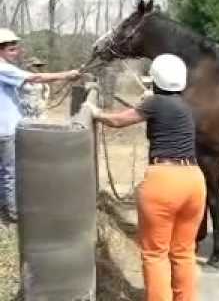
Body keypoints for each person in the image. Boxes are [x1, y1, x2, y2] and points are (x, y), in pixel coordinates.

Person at [86, 53, 206, 301]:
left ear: (156, 80)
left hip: (164, 180)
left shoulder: (155, 104)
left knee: (155, 254)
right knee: (184, 252)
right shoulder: (186, 106)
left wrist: (94, 111)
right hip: (194, 179)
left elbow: (118, 121)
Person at [0, 28, 80, 225]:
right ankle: (13, 215)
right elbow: (35, 78)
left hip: (8, 126)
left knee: (5, 171)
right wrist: (67, 74)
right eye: (11, 49)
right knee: (11, 172)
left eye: (16, 48)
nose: (16, 52)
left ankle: (5, 211)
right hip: (6, 129)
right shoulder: (3, 69)